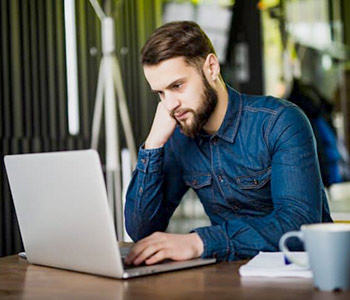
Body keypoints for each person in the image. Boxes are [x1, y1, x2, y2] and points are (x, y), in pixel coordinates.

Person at [124, 21, 332, 266]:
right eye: (160, 93)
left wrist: (200, 242)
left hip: (303, 275)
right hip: (231, 277)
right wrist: (153, 145)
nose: (170, 105)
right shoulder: (178, 136)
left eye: (177, 86)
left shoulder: (280, 122)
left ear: (211, 67)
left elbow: (298, 225)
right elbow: (141, 231)